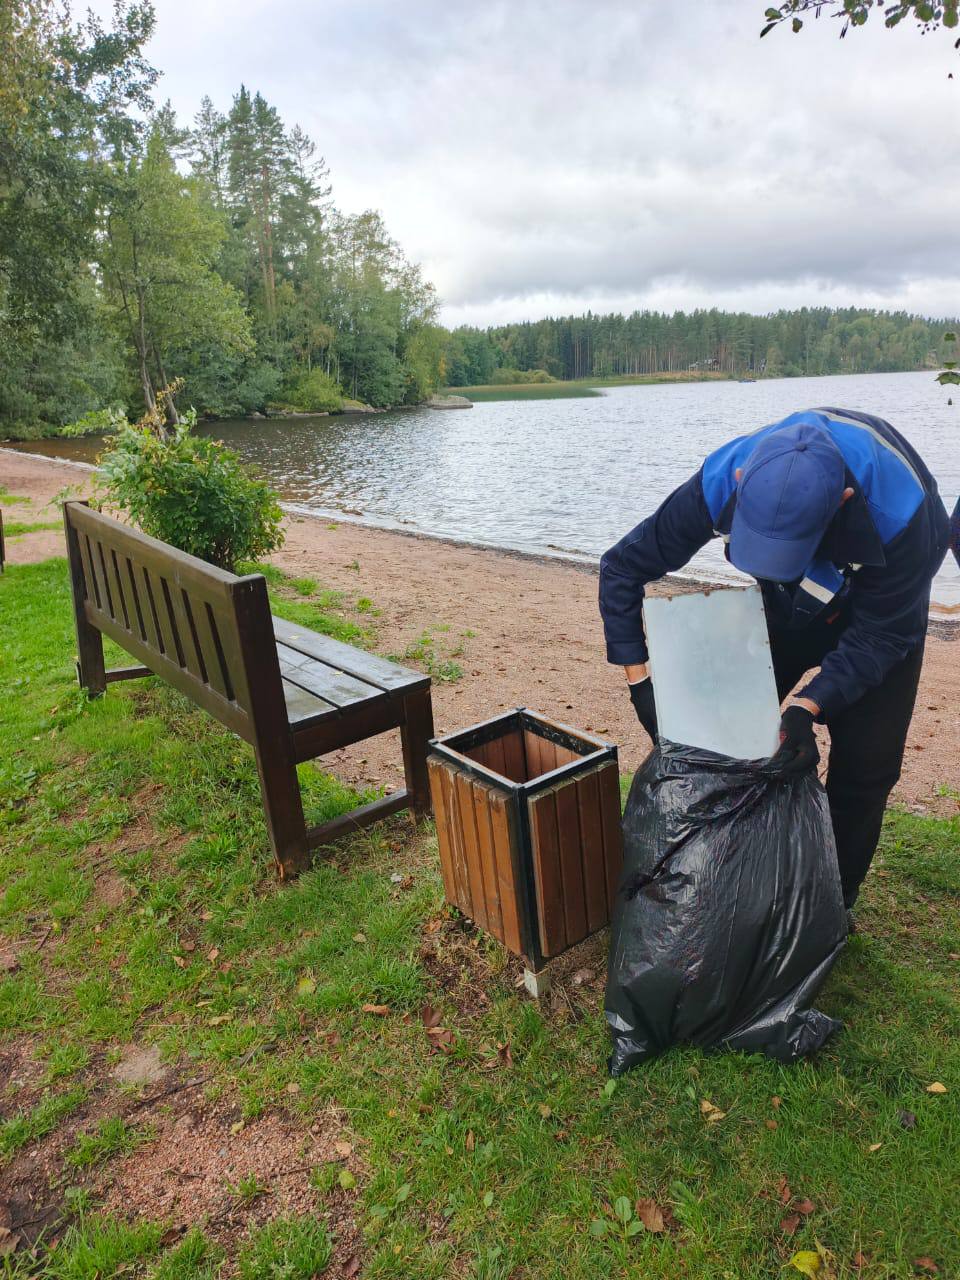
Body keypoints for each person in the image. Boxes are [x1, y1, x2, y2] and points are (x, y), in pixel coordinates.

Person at [599, 407, 950, 915]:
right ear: (742, 485)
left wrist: (808, 706)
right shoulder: (723, 478)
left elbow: (881, 634)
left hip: (875, 614)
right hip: (787, 604)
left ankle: (827, 910)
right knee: (722, 733)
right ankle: (719, 875)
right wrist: (641, 681)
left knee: (866, 772)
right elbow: (622, 567)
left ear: (843, 502)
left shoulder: (906, 513)